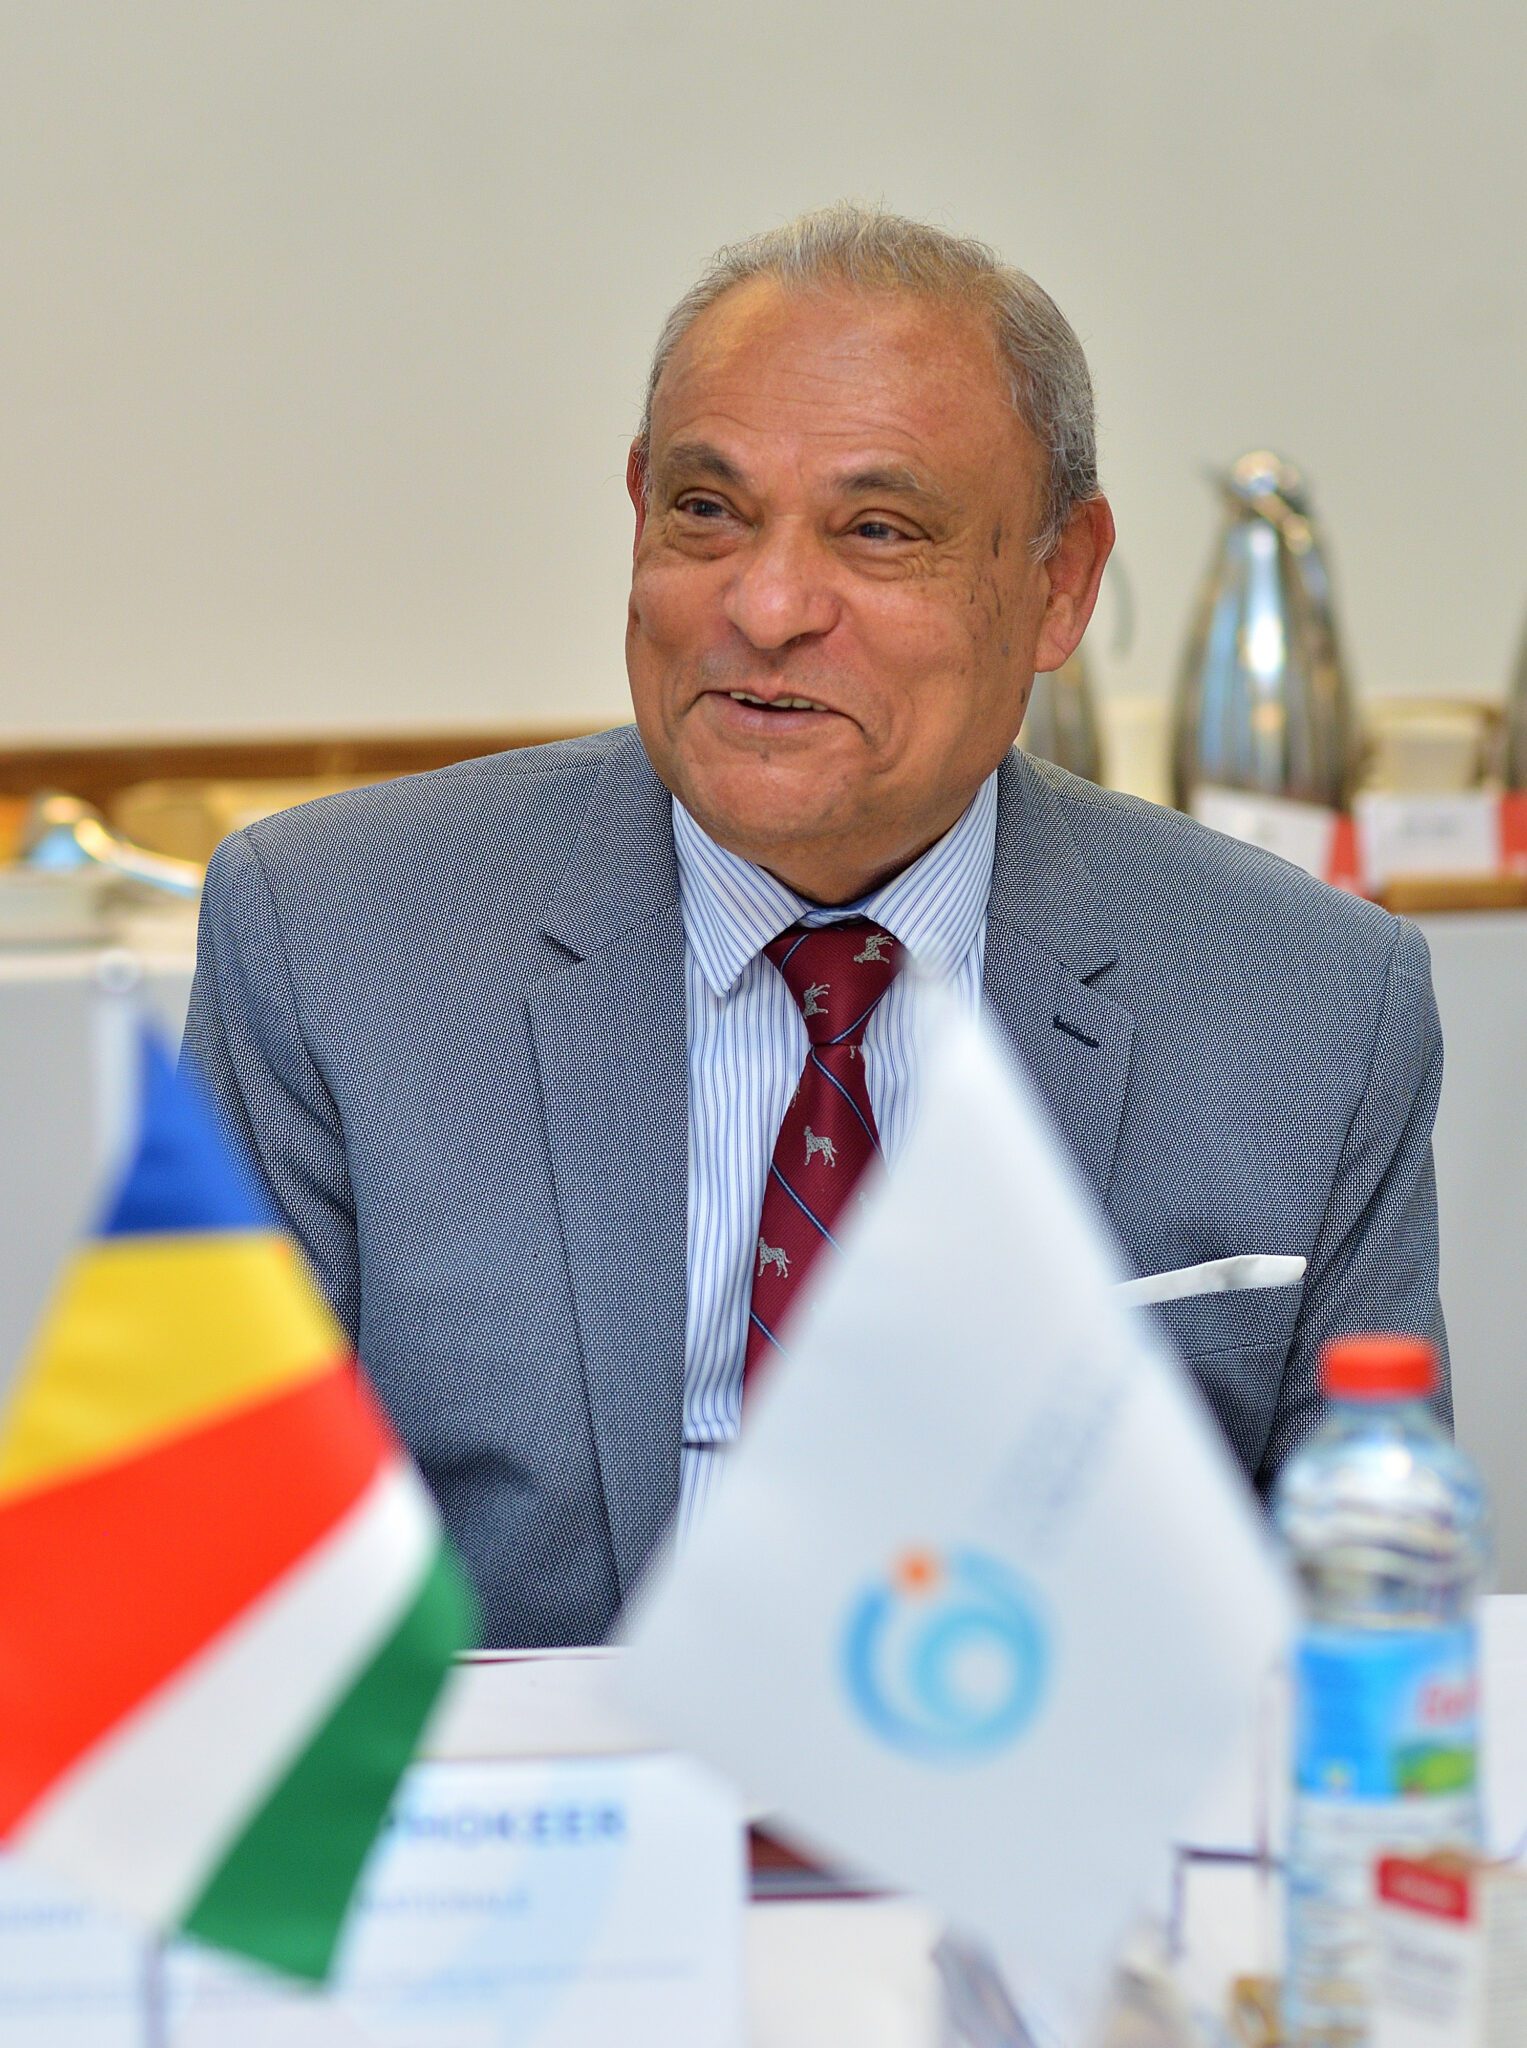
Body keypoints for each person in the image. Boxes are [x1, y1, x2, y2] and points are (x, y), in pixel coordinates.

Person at [184, 205, 1447, 1648]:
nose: (768, 605)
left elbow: (1374, 1616)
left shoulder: (1310, 1002)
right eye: (706, 513)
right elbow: (215, 1598)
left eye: (878, 531)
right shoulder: (335, 940)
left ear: (1061, 585)